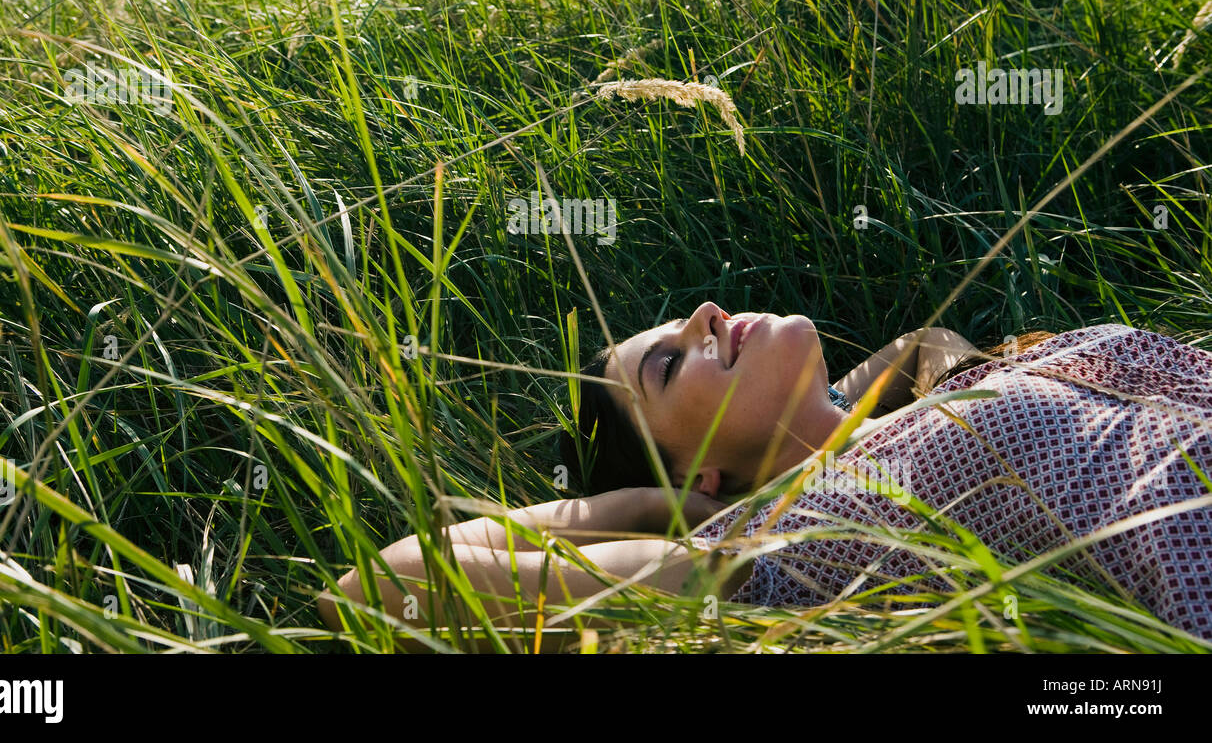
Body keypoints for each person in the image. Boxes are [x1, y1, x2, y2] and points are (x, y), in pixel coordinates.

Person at [318, 304, 1212, 640]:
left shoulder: (912, 411)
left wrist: (857, 407)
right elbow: (375, 589)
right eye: (671, 364)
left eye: (685, 320)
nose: (708, 312)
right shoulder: (788, 548)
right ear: (701, 475)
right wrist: (638, 505)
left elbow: (921, 346)